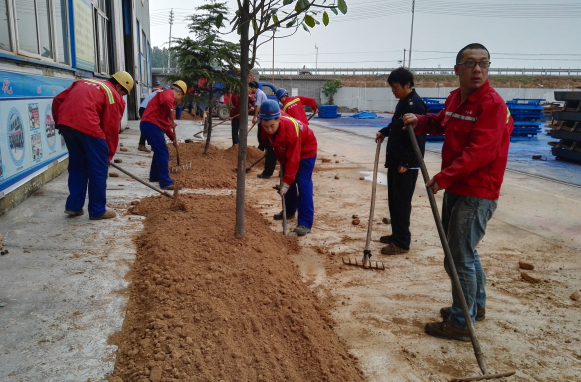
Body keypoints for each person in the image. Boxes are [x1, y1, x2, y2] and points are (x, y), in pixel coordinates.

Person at [402, 43, 514, 341]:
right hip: (458, 187)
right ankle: (473, 307)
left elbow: (482, 152)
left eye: (483, 63)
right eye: (470, 63)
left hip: (477, 192)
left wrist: (444, 178)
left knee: (458, 257)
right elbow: (442, 122)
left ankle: (461, 323)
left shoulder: (492, 105)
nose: (477, 69)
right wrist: (421, 121)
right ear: (457, 69)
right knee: (464, 253)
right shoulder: (456, 98)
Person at [52, 71, 134, 220]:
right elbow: (110, 128)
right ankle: (97, 211)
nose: (122, 97)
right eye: (124, 93)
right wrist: (107, 156)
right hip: (88, 126)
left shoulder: (83, 82)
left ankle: (73, 207)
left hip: (67, 125)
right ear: (118, 86)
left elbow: (58, 100)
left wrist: (60, 125)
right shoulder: (113, 95)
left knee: (78, 166)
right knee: (98, 171)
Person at [375, 67, 427, 255]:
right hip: (396, 161)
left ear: (407, 85)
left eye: (395, 87)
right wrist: (384, 132)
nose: (393, 90)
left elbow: (418, 139)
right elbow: (396, 124)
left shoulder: (415, 106)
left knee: (402, 202)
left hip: (406, 164)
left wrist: (406, 162)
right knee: (394, 201)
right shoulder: (403, 102)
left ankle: (402, 242)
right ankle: (397, 234)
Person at [259, 100, 317, 236]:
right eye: (265, 126)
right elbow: (268, 140)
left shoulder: (291, 129)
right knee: (287, 182)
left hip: (306, 151)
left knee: (302, 183)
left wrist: (287, 180)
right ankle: (289, 211)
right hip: (286, 152)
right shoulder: (267, 123)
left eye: (272, 126)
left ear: (278, 119)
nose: (269, 129)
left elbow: (294, 158)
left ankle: (305, 223)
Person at [140, 80, 187, 190]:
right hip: (151, 125)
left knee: (159, 151)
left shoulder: (168, 105)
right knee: (163, 152)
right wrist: (172, 118)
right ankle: (165, 181)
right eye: (181, 97)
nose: (179, 100)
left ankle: (154, 176)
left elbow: (166, 126)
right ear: (180, 93)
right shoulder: (167, 93)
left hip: (151, 125)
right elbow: (166, 100)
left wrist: (173, 139)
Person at [250, 81, 275, 179]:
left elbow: (258, 107)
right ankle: (262, 150)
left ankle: (262, 152)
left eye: (251, 88)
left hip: (263, 119)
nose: (251, 90)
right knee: (261, 137)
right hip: (263, 119)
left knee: (262, 137)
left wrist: (254, 118)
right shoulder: (258, 93)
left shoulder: (259, 94)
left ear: (254, 87)